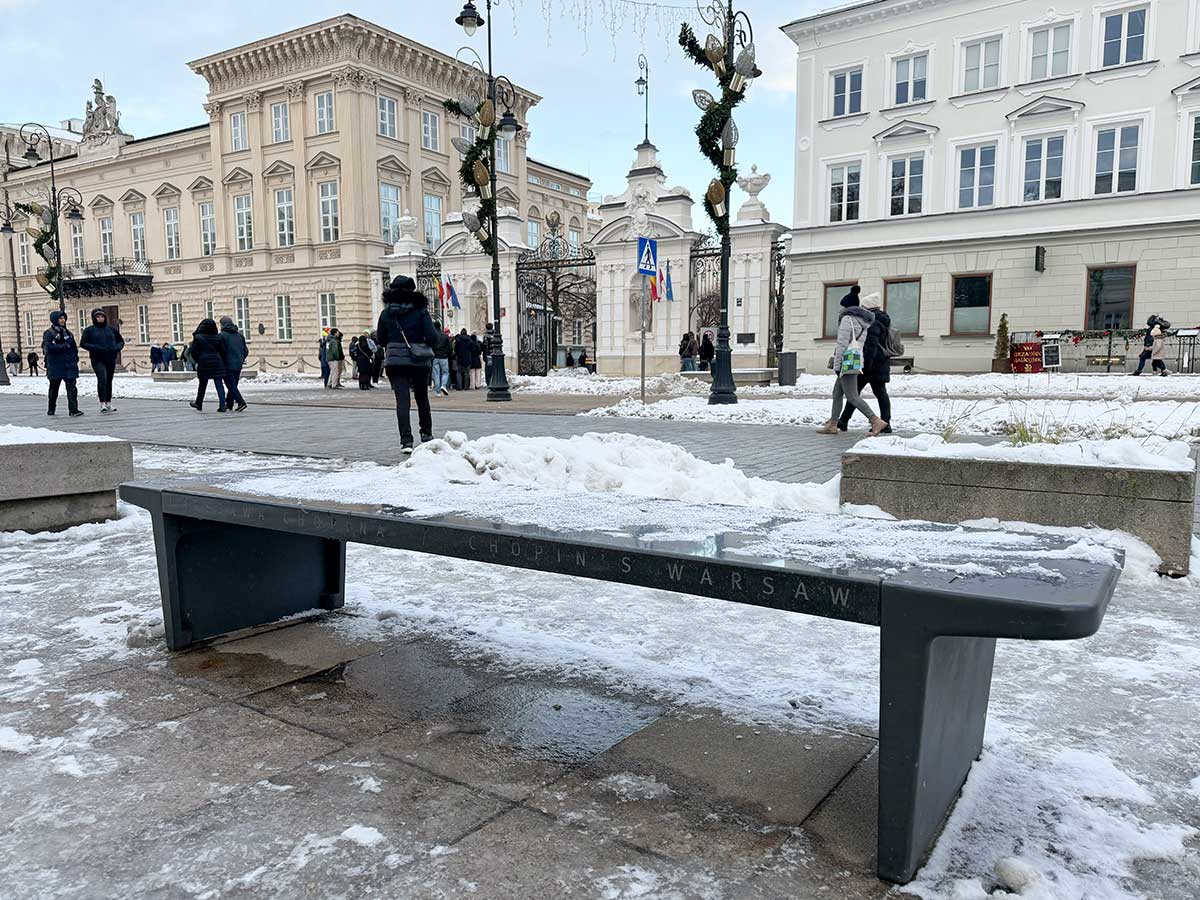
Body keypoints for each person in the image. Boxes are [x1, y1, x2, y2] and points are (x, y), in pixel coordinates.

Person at [377, 275, 440, 453]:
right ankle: (426, 434)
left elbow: (381, 338)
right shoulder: (420, 311)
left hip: (395, 361)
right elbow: (432, 336)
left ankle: (406, 441)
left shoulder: (386, 313)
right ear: (411, 290)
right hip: (418, 360)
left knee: (402, 401)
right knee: (422, 398)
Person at [817, 290, 887, 436]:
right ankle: (833, 423)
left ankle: (875, 421)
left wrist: (837, 366)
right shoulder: (863, 321)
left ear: (847, 307)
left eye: (843, 306)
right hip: (854, 359)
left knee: (852, 396)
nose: (841, 309)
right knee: (837, 393)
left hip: (846, 362)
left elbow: (842, 344)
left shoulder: (847, 319)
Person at [836, 293, 893, 433]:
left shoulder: (873, 323)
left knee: (853, 394)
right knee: (880, 394)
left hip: (870, 364)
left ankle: (843, 421)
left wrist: (865, 366)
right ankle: (886, 422)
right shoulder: (883, 320)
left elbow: (870, 346)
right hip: (881, 363)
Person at [79, 308, 124, 413]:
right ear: (94, 318)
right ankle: (102, 402)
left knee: (109, 380)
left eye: (102, 316)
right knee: (102, 379)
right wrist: (95, 347)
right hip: (97, 358)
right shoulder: (89, 330)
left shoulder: (111, 330)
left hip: (110, 358)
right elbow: (83, 343)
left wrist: (116, 348)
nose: (100, 319)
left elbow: (120, 341)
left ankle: (108, 402)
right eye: (98, 317)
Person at [42, 311, 83, 417]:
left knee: (72, 388)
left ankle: (73, 409)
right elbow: (48, 348)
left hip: (69, 365)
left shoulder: (68, 333)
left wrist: (75, 359)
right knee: (54, 388)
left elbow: (73, 347)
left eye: (64, 318)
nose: (62, 320)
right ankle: (51, 408)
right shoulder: (49, 333)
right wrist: (64, 346)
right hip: (55, 365)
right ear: (55, 319)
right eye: (60, 318)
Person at [187, 318, 228, 412]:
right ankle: (222, 405)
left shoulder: (198, 337)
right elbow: (223, 351)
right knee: (219, 383)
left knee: (202, 384)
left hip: (204, 362)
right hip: (217, 362)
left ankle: (199, 403)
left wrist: (199, 359)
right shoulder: (218, 337)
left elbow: (193, 352)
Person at [219, 316, 249, 412]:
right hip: (238, 364)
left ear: (222, 324)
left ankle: (241, 402)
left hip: (227, 364)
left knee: (231, 386)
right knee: (233, 385)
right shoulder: (240, 335)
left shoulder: (222, 335)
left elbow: (221, 351)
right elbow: (246, 350)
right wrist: (241, 358)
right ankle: (230, 403)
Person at [431, 328, 452, 396]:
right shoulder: (445, 336)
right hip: (444, 357)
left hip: (435, 357)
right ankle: (443, 385)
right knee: (445, 372)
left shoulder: (433, 336)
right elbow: (450, 347)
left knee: (436, 374)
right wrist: (447, 354)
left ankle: (438, 392)